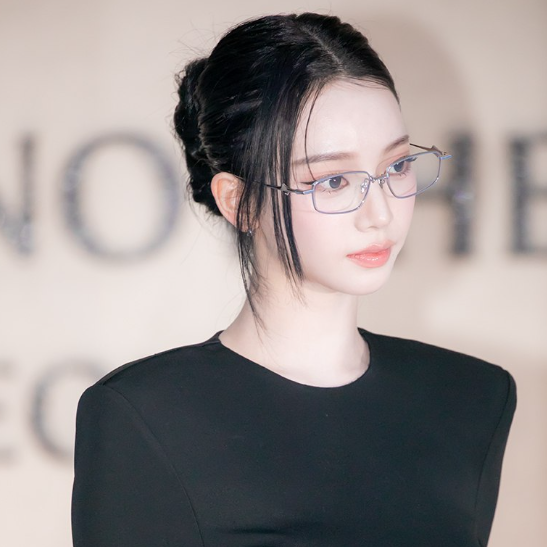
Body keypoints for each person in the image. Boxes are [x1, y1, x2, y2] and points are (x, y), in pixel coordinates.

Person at [71, 12, 516, 547]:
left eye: (397, 167)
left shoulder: (471, 398)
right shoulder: (145, 418)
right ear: (238, 201)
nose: (380, 213)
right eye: (334, 180)